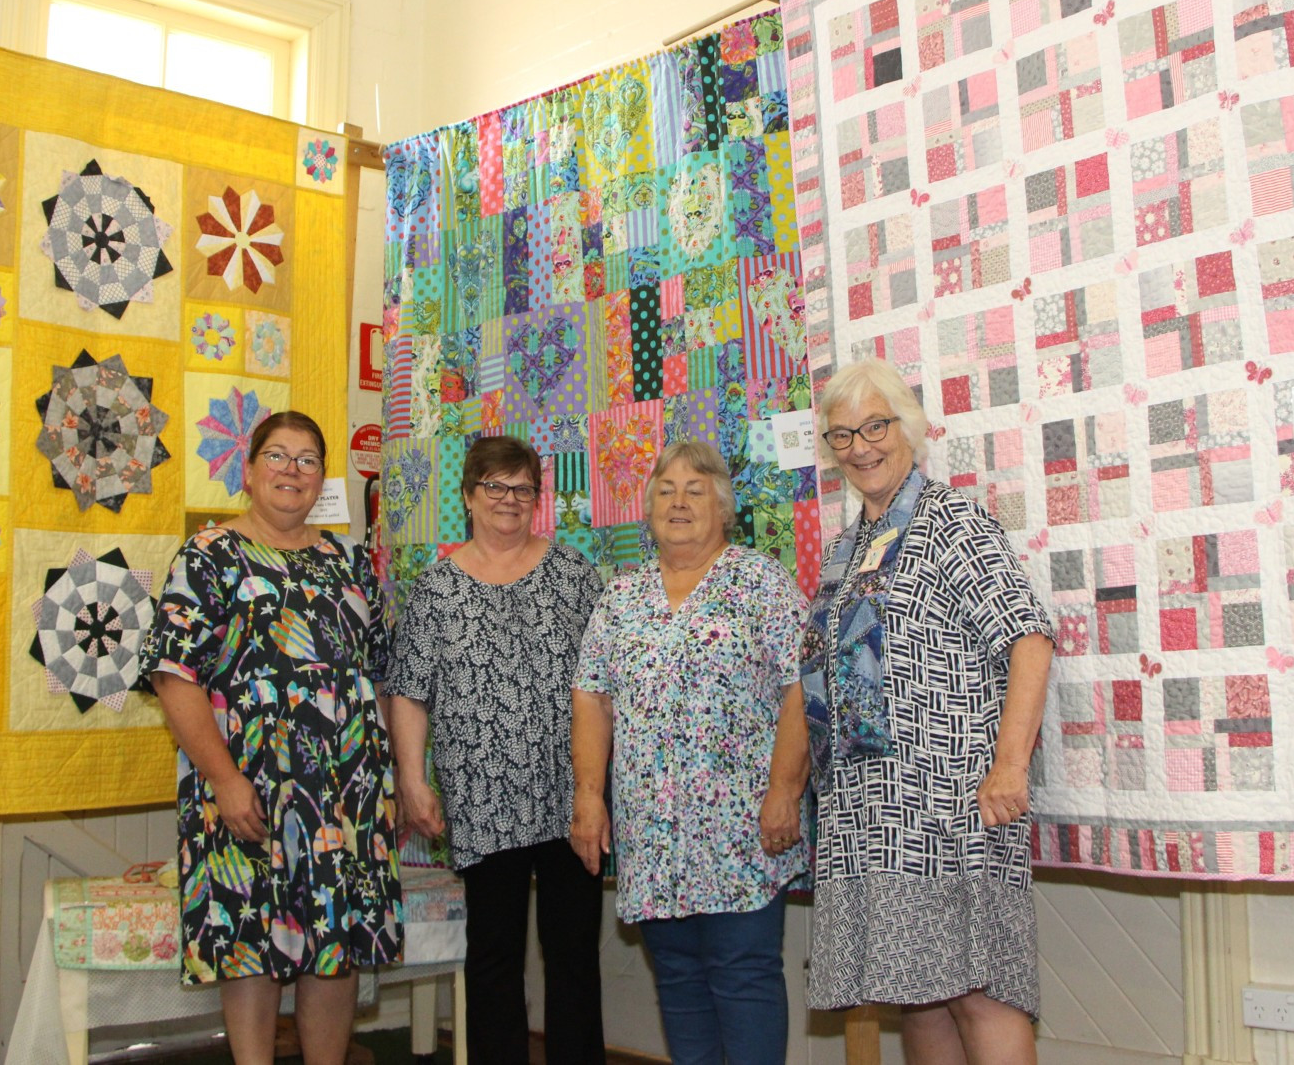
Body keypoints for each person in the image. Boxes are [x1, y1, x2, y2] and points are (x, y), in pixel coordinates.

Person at [801, 359, 1055, 1065]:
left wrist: (1009, 765)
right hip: (872, 819)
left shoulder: (952, 521)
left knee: (982, 994)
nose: (861, 446)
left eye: (875, 426)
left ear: (909, 428)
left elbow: (1029, 640)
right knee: (917, 994)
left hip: (951, 805)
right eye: (843, 433)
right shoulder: (846, 549)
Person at [143, 411, 401, 1065]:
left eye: (308, 459)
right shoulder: (207, 556)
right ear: (250, 471)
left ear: (321, 478)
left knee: (333, 944)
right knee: (249, 944)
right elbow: (175, 676)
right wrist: (224, 779)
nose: (293, 470)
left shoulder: (347, 561)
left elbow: (378, 671)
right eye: (278, 456)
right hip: (244, 790)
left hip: (343, 793)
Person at [569, 440, 807, 1065]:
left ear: (724, 509)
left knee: (745, 975)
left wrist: (785, 791)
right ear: (647, 510)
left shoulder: (761, 581)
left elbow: (802, 688)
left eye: (695, 490)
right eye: (666, 490)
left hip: (741, 832)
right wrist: (590, 799)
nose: (678, 502)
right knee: (675, 980)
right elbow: (590, 696)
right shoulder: (620, 598)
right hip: (650, 835)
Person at [388, 435, 607, 1065]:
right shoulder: (434, 589)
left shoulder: (575, 576)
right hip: (481, 799)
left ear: (537, 499)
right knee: (492, 959)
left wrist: (599, 788)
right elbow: (408, 692)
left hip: (570, 798)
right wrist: (412, 777)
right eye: (495, 487)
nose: (509, 500)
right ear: (468, 496)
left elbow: (604, 685)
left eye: (522, 489)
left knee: (572, 957)